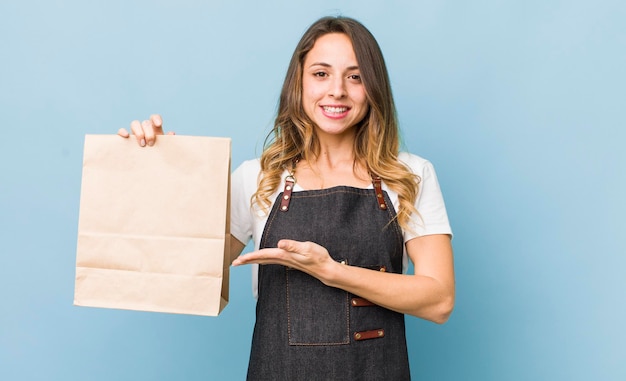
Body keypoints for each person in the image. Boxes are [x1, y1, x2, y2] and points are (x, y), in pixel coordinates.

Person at [118, 16, 454, 381]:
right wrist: (161, 171)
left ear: (374, 87)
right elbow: (189, 280)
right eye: (321, 73)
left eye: (355, 76)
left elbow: (439, 300)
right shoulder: (257, 178)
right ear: (299, 82)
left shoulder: (410, 175)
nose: (337, 90)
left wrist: (332, 272)